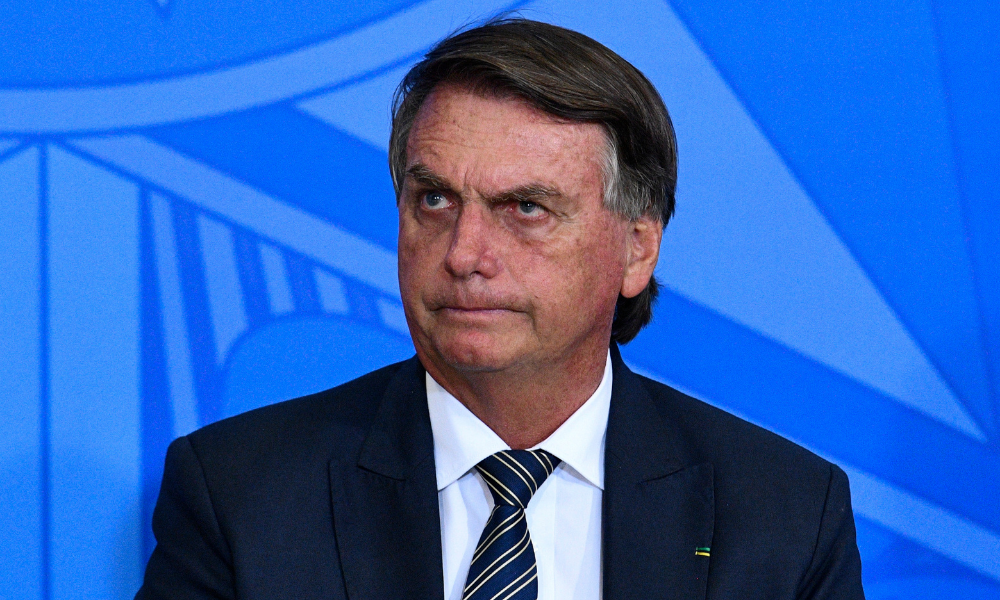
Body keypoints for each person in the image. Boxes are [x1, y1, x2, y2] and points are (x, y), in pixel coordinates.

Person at [136, 18, 864, 600]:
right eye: (434, 199)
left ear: (637, 249)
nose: (464, 253)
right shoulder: (241, 494)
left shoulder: (784, 517)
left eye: (525, 208)